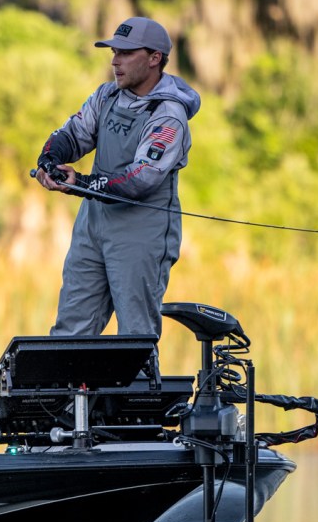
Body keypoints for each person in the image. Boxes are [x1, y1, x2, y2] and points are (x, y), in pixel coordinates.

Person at [35, 17, 201, 337]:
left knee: (136, 333)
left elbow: (140, 179)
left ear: (154, 58)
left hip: (142, 233)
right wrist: (50, 158)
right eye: (114, 52)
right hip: (92, 226)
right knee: (70, 331)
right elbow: (75, 133)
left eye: (126, 53)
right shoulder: (106, 95)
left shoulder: (169, 115)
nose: (115, 61)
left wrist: (81, 183)